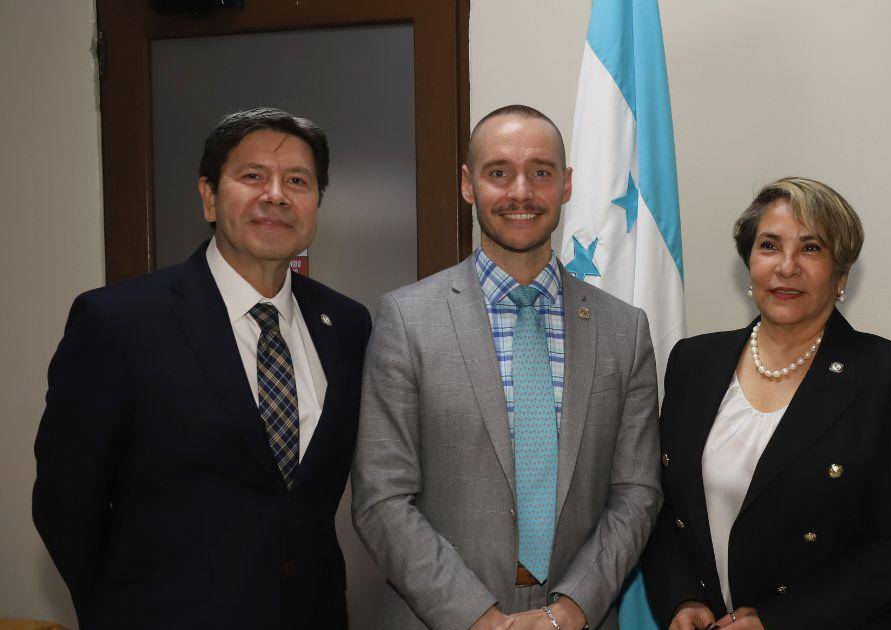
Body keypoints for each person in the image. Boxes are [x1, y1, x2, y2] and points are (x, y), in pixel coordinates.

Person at [32, 107, 372, 628]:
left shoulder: (346, 325)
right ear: (209, 196)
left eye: (297, 181)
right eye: (252, 176)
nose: (276, 195)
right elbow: (66, 501)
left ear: (316, 204)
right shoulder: (119, 321)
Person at [352, 104, 661, 630]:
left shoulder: (624, 330)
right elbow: (382, 496)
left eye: (540, 172)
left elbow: (637, 492)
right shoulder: (407, 320)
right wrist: (477, 617)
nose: (521, 192)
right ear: (468, 185)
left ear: (566, 185)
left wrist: (570, 610)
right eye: (499, 172)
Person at [642, 177, 891, 629]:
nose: (787, 267)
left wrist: (777, 621)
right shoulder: (693, 362)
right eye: (769, 246)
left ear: (841, 274)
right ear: (748, 262)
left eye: (811, 248)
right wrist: (682, 599)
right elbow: (663, 505)